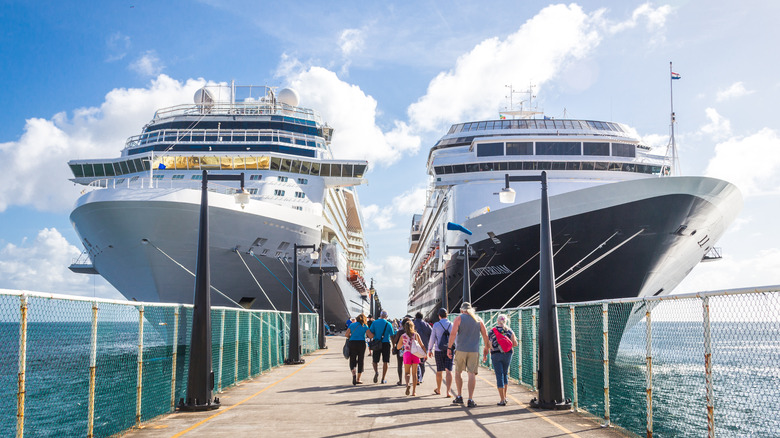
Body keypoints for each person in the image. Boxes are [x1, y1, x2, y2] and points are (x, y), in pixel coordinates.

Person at [447, 302, 489, 408]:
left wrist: (449, 347)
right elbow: (485, 334)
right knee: (471, 374)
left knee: (458, 372)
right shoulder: (478, 319)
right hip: (474, 350)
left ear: (462, 310)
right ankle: (470, 399)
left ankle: (459, 396)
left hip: (461, 349)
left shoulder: (459, 318)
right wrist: (486, 348)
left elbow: (453, 333)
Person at [488, 313, 519, 405]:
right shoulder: (509, 331)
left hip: (496, 355)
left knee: (499, 375)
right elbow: (515, 344)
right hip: (508, 354)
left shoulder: (492, 331)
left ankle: (502, 400)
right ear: (506, 321)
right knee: (505, 374)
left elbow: (489, 344)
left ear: (497, 321)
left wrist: (493, 349)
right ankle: (505, 397)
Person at [427, 308, 453, 397]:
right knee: (449, 371)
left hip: (439, 350)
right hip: (450, 350)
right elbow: (455, 337)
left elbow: (432, 338)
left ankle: (438, 389)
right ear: (447, 315)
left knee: (439, 371)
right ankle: (448, 392)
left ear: (439, 316)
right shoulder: (451, 324)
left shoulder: (436, 325)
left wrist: (429, 349)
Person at [396, 319, 426, 396]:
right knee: (415, 373)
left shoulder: (403, 336)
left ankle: (407, 384)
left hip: (407, 354)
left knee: (407, 373)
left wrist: (403, 345)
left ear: (405, 327)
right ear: (413, 327)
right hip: (415, 354)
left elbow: (398, 347)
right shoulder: (416, 335)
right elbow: (422, 345)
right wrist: (425, 354)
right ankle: (414, 392)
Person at [367, 310, 395, 384]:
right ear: (386, 316)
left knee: (375, 360)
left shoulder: (374, 322)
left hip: (377, 343)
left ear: (380, 315)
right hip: (386, 343)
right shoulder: (388, 324)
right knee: (385, 361)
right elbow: (392, 336)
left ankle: (376, 372)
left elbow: (371, 333)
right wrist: (394, 346)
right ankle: (383, 379)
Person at [345, 313, 369, 385]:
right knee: (361, 360)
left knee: (352, 359)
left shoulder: (352, 325)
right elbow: (370, 335)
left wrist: (350, 337)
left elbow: (346, 334)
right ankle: (358, 379)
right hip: (361, 343)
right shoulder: (365, 326)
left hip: (352, 343)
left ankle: (353, 373)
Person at [391, 315, 412, 385]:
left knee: (400, 365)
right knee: (409, 366)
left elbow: (395, 341)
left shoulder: (400, 332)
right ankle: (409, 381)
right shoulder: (412, 332)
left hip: (401, 350)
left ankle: (400, 380)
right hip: (410, 350)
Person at [413, 312, 432, 384]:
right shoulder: (426, 324)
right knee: (422, 363)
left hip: (414, 347)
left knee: (415, 363)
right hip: (424, 346)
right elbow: (431, 334)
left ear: (416, 316)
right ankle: (421, 378)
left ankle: (417, 377)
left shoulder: (412, 324)